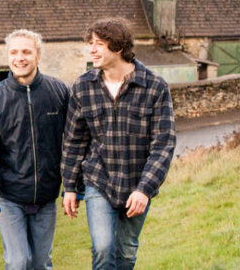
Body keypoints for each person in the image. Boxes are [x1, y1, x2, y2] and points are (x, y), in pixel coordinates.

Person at [61, 18, 176, 270]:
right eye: (91, 43)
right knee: (103, 249)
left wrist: (144, 189)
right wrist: (70, 186)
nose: (92, 49)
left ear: (119, 47)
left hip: (137, 184)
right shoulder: (83, 87)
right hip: (99, 180)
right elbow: (74, 141)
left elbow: (163, 145)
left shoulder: (154, 87)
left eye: (99, 44)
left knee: (125, 254)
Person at [0, 29, 70, 270]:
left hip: (46, 197)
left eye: (26, 51)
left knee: (40, 263)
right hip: (10, 197)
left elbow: (74, 145)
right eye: (14, 52)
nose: (20, 57)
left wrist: (73, 187)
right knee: (17, 262)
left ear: (38, 55)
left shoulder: (59, 93)